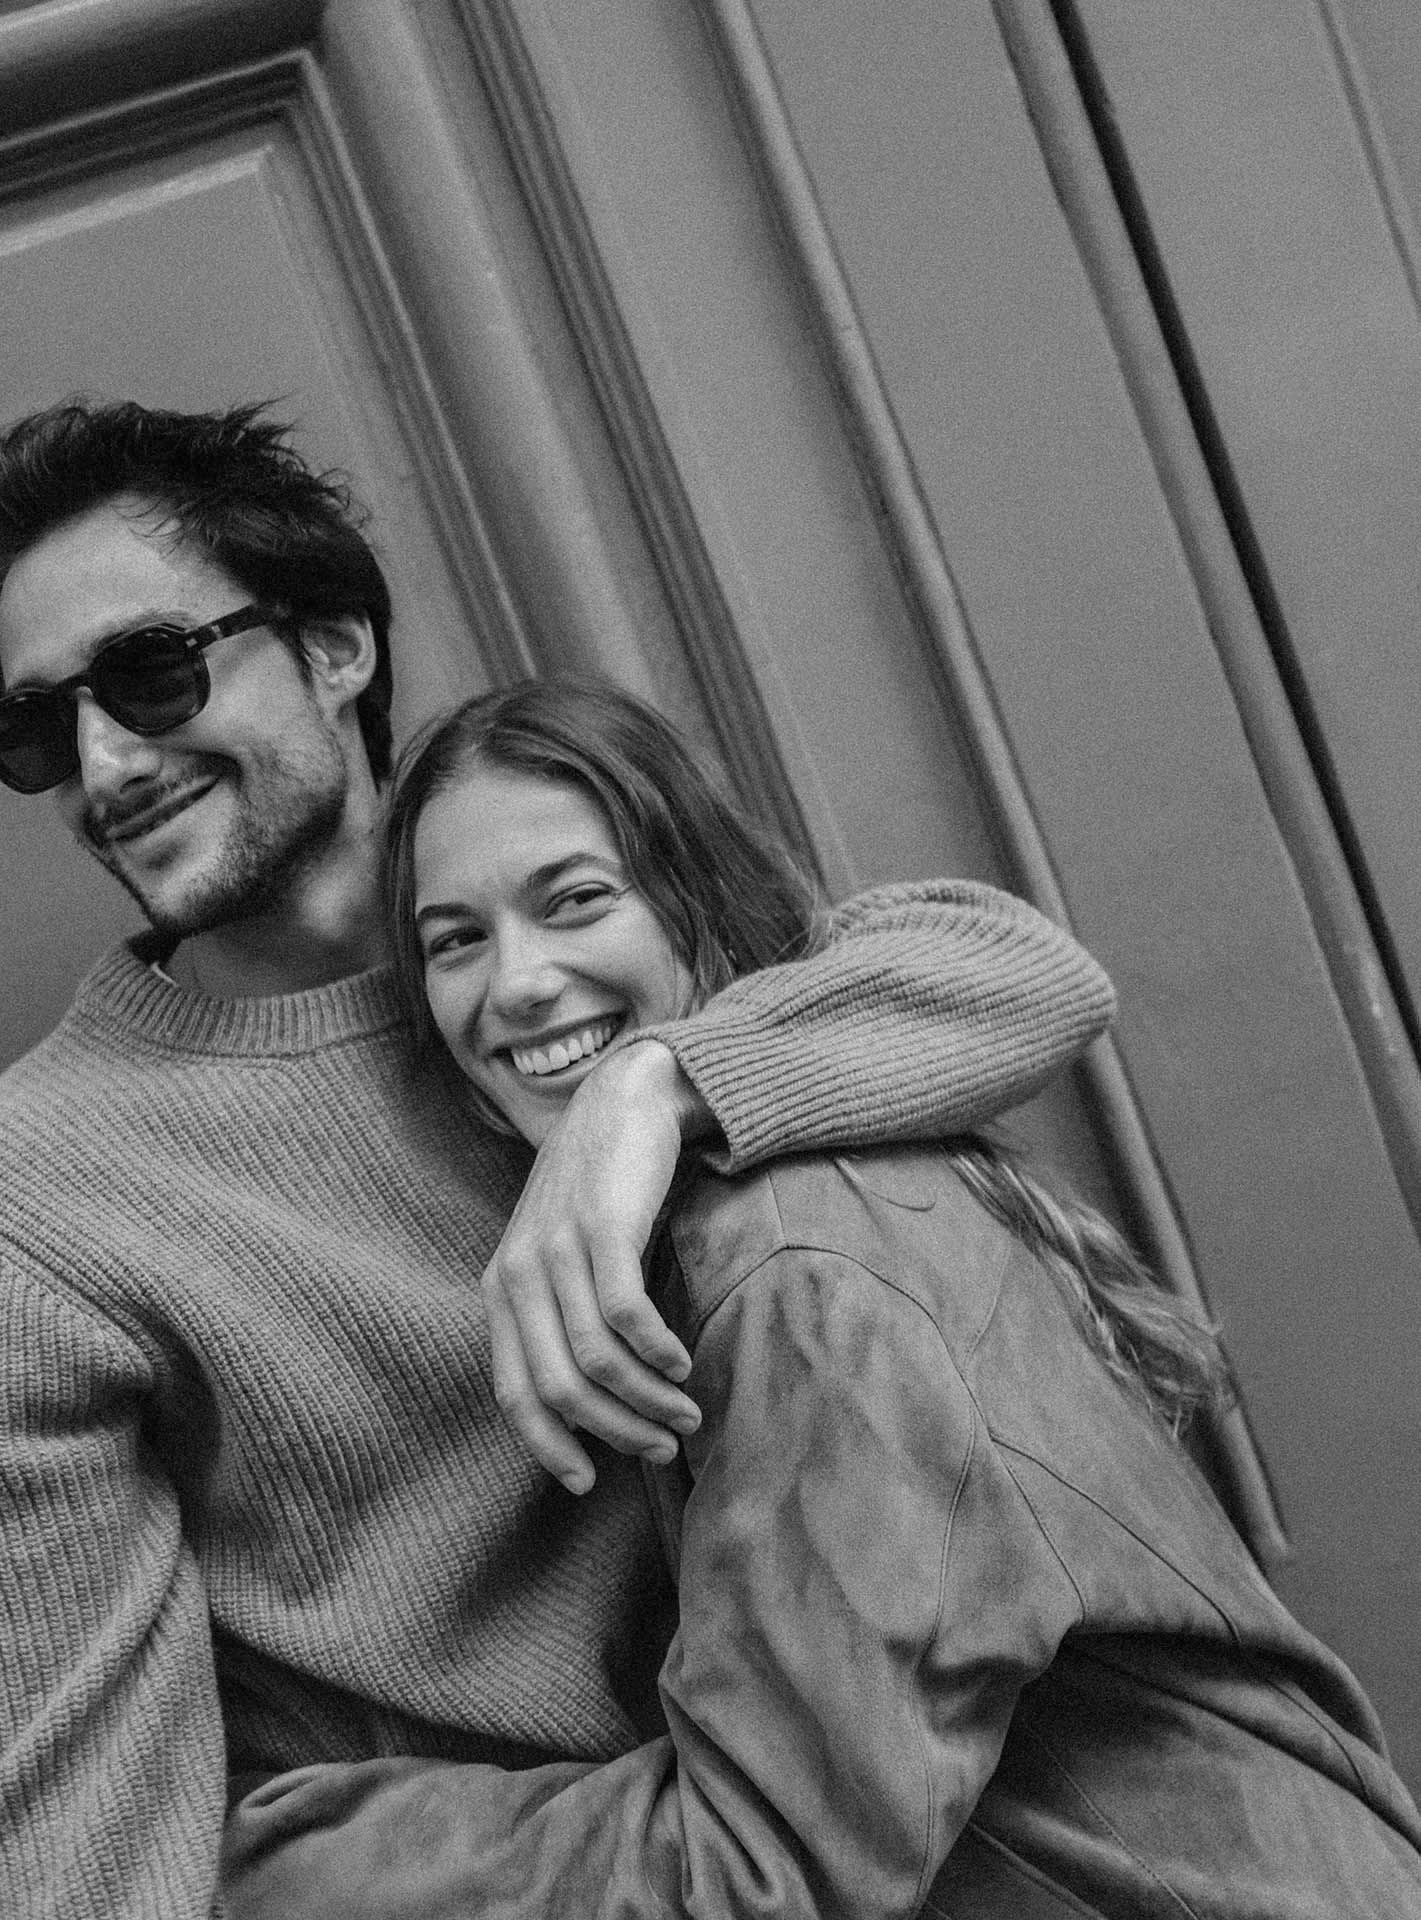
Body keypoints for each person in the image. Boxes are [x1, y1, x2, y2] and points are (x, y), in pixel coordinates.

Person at [0, 400, 1116, 1919]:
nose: (103, 761)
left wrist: (648, 1095)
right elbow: (83, 1832)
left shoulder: (573, 935)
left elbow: (1018, 973)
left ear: (333, 649)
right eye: (33, 728)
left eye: (151, 670)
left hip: (965, 1812)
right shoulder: (45, 1202)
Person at [222, 677, 1421, 1916]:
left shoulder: (797, 1260)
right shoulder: (756, 1218)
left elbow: (749, 1876)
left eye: (575, 899)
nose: (517, 981)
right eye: (455, 940)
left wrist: (284, 1859)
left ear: (695, 903)